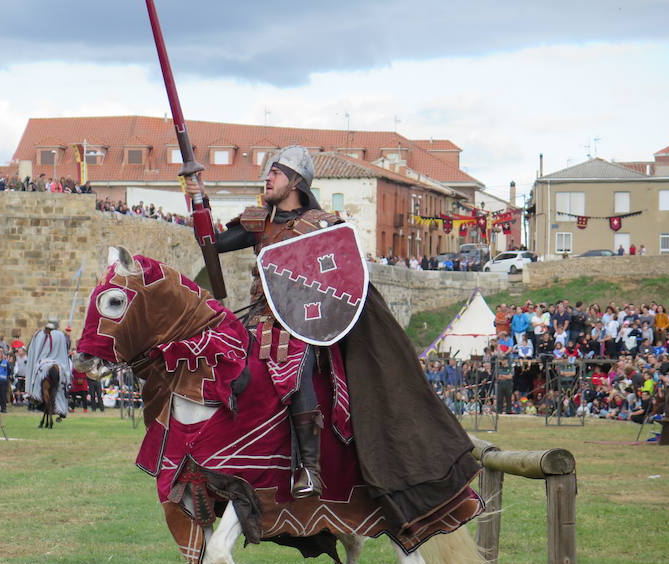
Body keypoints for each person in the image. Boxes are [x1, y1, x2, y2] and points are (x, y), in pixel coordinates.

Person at [185, 145, 477, 510]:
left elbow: (342, 283)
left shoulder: (324, 227)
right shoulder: (259, 221)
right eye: (268, 173)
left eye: (274, 173)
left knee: (298, 372)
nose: (267, 178)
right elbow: (210, 243)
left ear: (294, 181)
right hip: (260, 321)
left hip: (303, 329)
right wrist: (198, 199)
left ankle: (309, 468)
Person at [25, 318, 72, 419]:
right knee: (66, 375)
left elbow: (33, 348)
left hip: (43, 360)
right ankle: (64, 401)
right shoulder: (61, 335)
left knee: (36, 372)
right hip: (60, 362)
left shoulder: (39, 334)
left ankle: (35, 396)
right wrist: (68, 337)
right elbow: (67, 347)